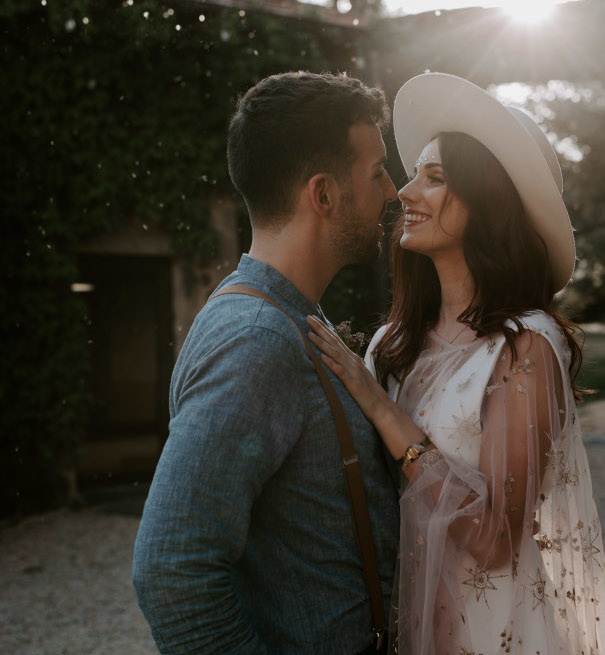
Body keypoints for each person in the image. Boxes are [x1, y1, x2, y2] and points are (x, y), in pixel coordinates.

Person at [306, 73, 605, 654]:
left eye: (436, 178)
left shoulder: (524, 347)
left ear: (488, 203)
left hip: (497, 633)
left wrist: (380, 408)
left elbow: (495, 538)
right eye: (413, 175)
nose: (404, 193)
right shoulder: (388, 346)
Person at [132, 71, 401, 654]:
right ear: (323, 194)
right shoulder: (256, 340)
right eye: (377, 172)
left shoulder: (289, 316)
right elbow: (172, 570)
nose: (393, 192)